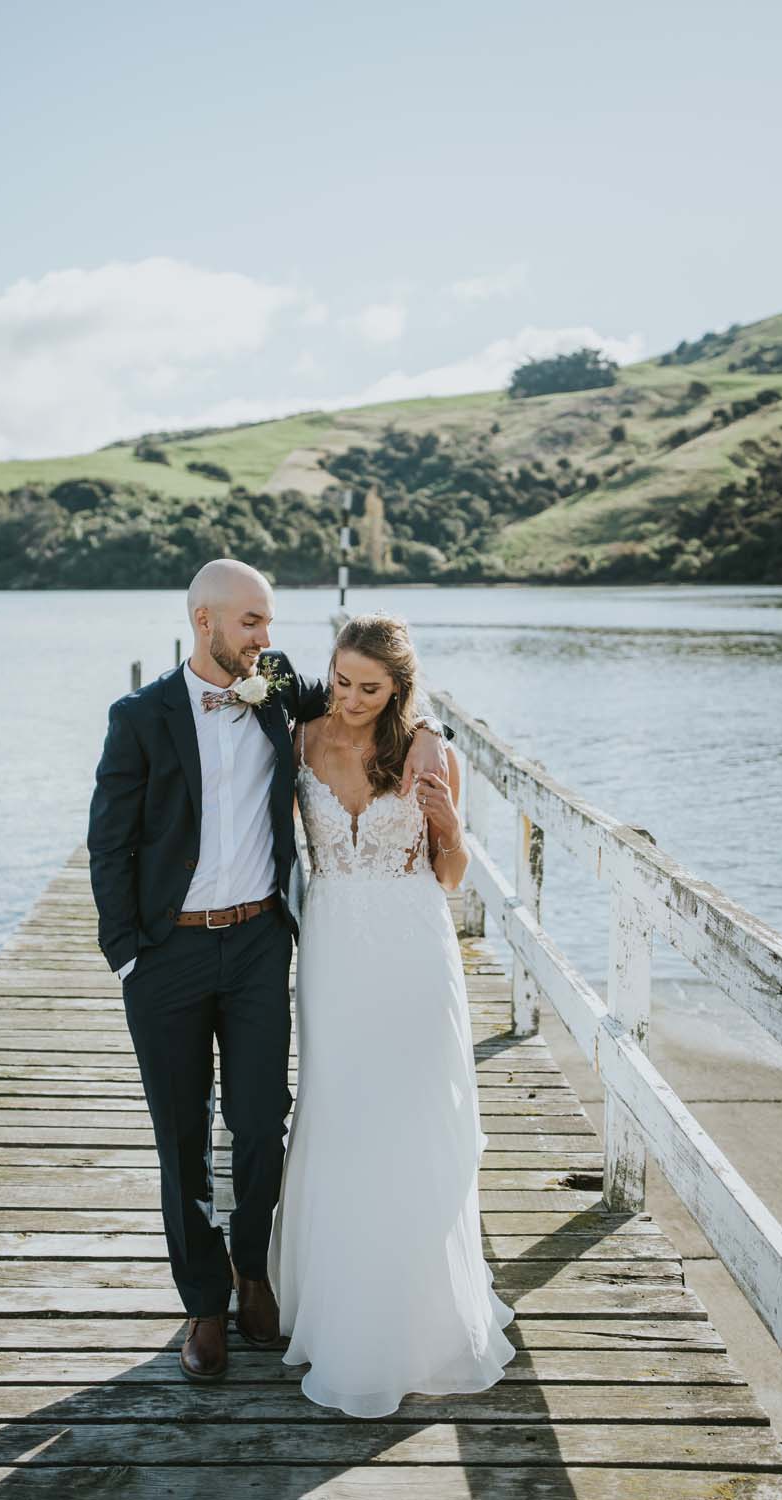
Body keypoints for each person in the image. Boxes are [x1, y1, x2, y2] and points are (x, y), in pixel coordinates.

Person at [86, 561, 449, 1383]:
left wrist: (434, 736)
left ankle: (255, 1272)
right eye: (251, 621)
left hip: (257, 944)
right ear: (204, 622)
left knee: (260, 1122)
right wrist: (128, 954)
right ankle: (203, 1306)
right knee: (181, 1136)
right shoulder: (138, 717)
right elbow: (108, 841)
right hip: (166, 954)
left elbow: (375, 691)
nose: (267, 636)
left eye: (270, 620)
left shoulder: (280, 688)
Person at [268, 611, 517, 1417]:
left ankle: (419, 1321)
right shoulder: (300, 737)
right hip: (335, 951)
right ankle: (333, 1306)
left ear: (399, 689)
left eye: (369, 689)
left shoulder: (428, 752)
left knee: (413, 1118)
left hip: (413, 947)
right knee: (340, 1112)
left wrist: (449, 828)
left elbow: (450, 874)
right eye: (340, 680)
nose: (349, 698)